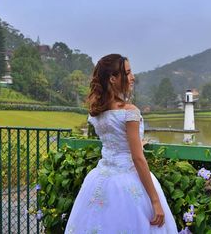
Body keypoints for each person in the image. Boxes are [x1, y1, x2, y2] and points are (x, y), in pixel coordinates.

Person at [65, 54, 178, 233]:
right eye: (128, 72)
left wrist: (135, 144)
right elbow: (138, 159)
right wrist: (155, 201)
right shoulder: (129, 112)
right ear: (113, 78)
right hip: (128, 181)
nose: (132, 77)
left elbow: (116, 141)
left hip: (100, 178)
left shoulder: (98, 112)